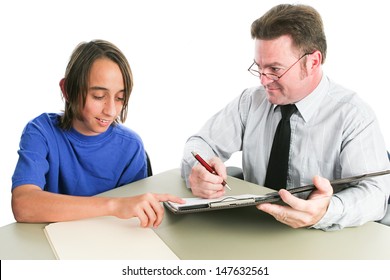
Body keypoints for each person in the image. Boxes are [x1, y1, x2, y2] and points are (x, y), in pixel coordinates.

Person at [181, 4, 390, 231]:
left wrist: (326, 211)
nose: (263, 80)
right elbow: (200, 143)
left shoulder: (353, 115)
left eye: (275, 69)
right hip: (253, 228)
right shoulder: (251, 102)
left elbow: (376, 194)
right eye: (259, 67)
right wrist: (199, 170)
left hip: (323, 238)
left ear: (313, 62)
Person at [11, 39, 183, 228]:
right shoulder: (41, 131)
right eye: (99, 96)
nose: (110, 111)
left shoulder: (131, 146)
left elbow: (137, 217)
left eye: (120, 98)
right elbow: (23, 205)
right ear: (67, 90)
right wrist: (113, 205)